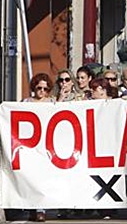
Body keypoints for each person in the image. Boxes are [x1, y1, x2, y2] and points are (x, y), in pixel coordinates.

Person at [24, 73, 54, 222]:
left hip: (48, 145)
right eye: (39, 88)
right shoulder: (25, 103)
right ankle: (33, 208)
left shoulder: (53, 103)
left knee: (44, 178)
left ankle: (41, 209)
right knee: (31, 178)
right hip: (31, 145)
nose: (42, 91)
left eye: (46, 89)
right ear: (34, 88)